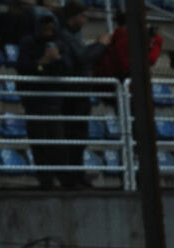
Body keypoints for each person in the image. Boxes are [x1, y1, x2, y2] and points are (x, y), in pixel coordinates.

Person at [57, 1, 111, 188]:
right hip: (72, 94)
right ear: (73, 17)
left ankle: (77, 174)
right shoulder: (65, 36)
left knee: (79, 136)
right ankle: (71, 177)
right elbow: (82, 58)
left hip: (79, 92)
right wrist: (101, 45)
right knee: (73, 135)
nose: (85, 19)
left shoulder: (73, 35)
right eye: (82, 16)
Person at [16, 13, 71, 190]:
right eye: (44, 28)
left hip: (54, 101)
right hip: (34, 101)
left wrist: (57, 59)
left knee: (58, 143)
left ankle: (64, 179)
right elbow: (25, 68)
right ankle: (46, 180)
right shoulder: (28, 43)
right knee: (40, 143)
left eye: (50, 28)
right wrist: (43, 62)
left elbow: (67, 68)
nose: (48, 32)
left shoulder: (60, 43)